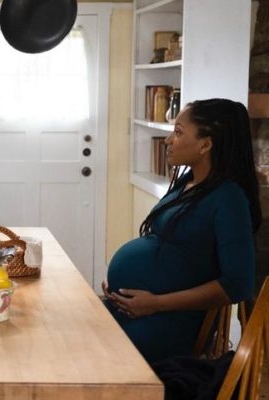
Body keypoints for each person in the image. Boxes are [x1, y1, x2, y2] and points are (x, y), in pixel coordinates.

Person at [102, 98, 262, 363]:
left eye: (178, 132)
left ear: (206, 144)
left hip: (170, 324)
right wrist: (123, 289)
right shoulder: (188, 182)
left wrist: (155, 303)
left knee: (86, 352)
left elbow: (238, 284)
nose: (167, 141)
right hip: (142, 311)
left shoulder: (228, 197)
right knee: (73, 328)